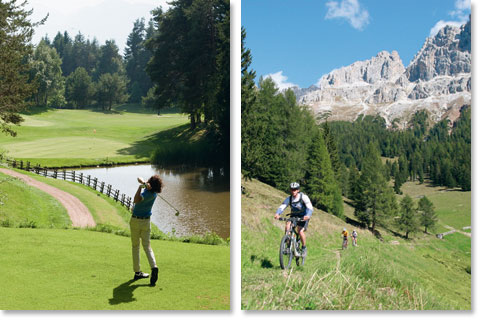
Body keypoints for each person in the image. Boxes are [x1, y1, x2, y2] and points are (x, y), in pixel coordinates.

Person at [130, 175, 163, 286]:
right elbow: (139, 177)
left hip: (135, 221)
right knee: (147, 246)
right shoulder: (154, 194)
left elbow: (136, 199)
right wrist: (144, 183)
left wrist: (140, 187)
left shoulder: (146, 193)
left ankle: (137, 272)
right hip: (146, 222)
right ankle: (154, 266)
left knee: (135, 246)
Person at [274, 182, 313, 256]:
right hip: (294, 216)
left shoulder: (303, 197)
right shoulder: (289, 198)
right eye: (292, 189)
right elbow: (283, 206)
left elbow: (310, 207)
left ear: (298, 190)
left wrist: (308, 215)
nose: (293, 191)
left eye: (295, 189)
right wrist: (277, 213)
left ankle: (304, 247)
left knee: (300, 231)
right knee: (287, 226)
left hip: (303, 216)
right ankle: (288, 245)